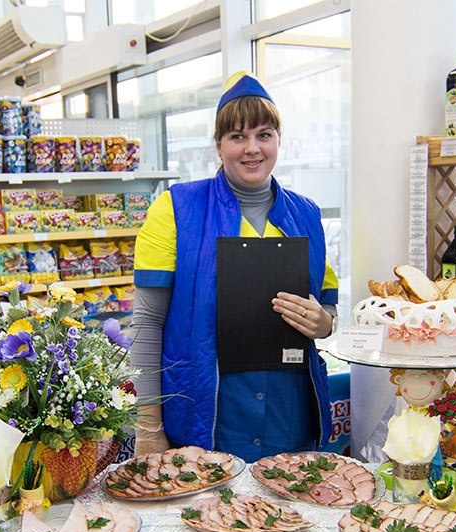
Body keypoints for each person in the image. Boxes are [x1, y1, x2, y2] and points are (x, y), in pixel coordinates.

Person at [130, 71, 339, 461]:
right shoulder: (175, 210)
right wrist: (148, 427)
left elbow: (326, 308)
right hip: (207, 418)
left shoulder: (308, 215)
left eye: (264, 135)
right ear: (218, 144)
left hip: (289, 418)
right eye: (237, 136)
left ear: (278, 140)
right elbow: (146, 325)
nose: (252, 148)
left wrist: (325, 323)